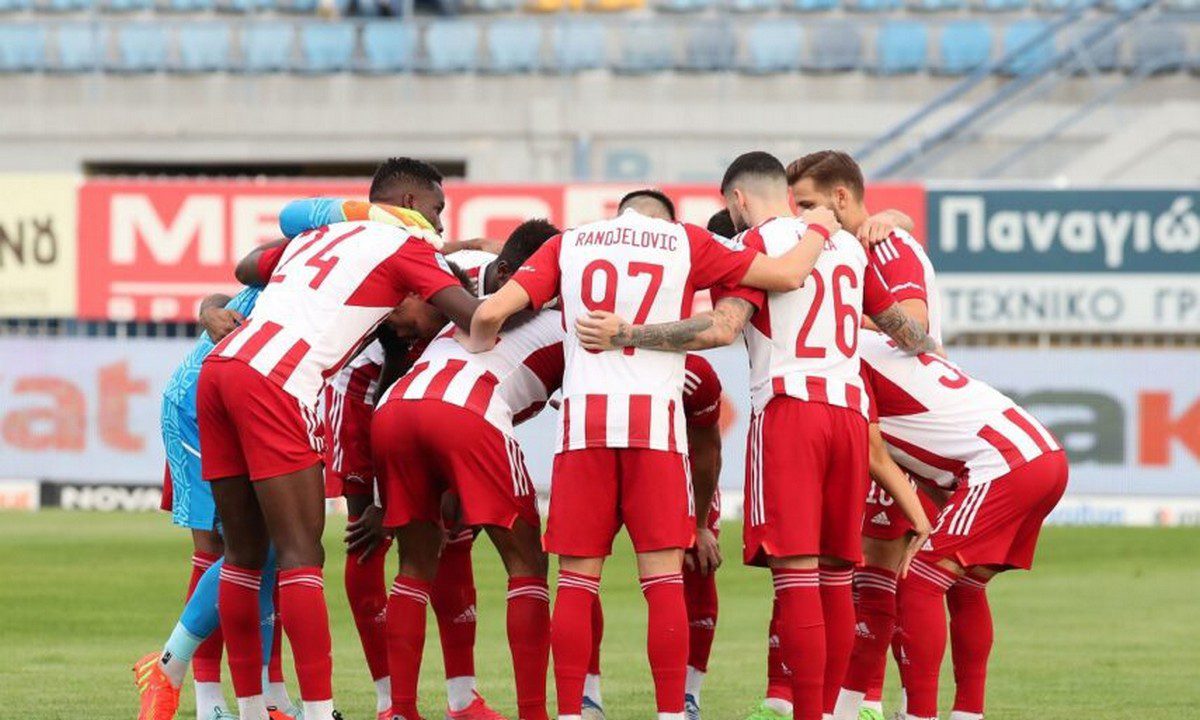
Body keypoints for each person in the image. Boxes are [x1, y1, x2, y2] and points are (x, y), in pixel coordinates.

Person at [570, 153, 939, 720]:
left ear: (737, 201)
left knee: (797, 579)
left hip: (791, 411)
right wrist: (927, 343)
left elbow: (721, 328)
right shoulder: (846, 245)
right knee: (838, 577)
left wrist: (629, 333)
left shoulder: (753, 247)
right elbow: (909, 333)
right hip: (849, 416)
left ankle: (807, 712)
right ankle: (837, 712)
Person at [467, 184, 855, 720]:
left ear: (621, 214)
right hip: (656, 430)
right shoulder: (685, 240)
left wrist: (477, 346)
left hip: (584, 430)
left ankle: (572, 712)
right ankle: (673, 712)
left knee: (577, 582)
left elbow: (489, 313)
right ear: (664, 218)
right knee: (663, 582)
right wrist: (820, 229)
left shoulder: (569, 242)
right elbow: (788, 275)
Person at [198, 158, 483, 720]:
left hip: (221, 369)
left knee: (243, 555)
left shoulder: (320, 233)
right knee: (301, 556)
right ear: (409, 201)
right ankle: (319, 710)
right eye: (437, 209)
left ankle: (250, 710)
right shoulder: (410, 247)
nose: (440, 224)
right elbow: (472, 316)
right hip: (277, 379)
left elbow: (246, 266)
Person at [306, 216, 560, 720]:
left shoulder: (469, 292)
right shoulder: (570, 318)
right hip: (455, 410)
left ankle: (400, 709)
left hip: (395, 409)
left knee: (416, 564)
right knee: (528, 564)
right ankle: (532, 712)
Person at [841, 329, 1068, 720]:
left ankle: (920, 715)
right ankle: (968, 713)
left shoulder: (843, 355)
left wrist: (920, 520)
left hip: (1003, 462)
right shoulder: (875, 345)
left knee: (919, 580)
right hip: (1041, 455)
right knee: (965, 582)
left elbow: (874, 452)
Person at [581, 209, 736, 720]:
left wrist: (700, 523)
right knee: (584, 574)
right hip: (604, 451)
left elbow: (708, 449)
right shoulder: (580, 350)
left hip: (666, 468)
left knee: (691, 568)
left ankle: (687, 697)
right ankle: (588, 694)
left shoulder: (695, 374)